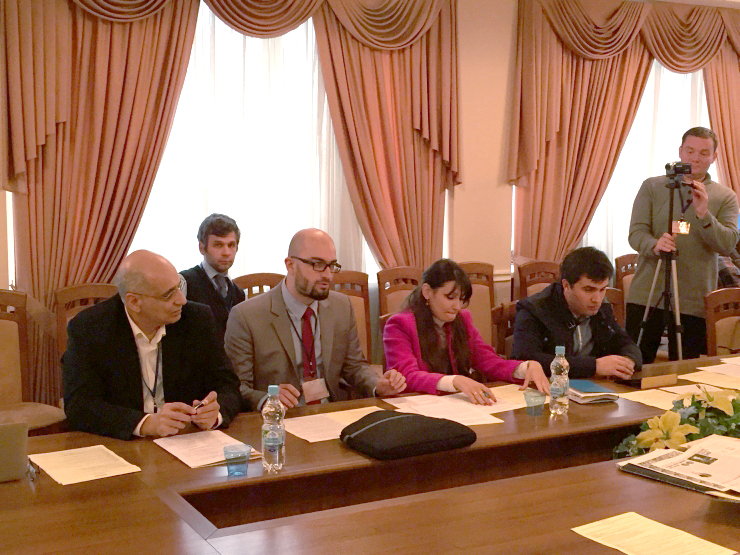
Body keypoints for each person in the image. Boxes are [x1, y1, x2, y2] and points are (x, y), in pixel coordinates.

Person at [63, 250, 242, 440]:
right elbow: (79, 405)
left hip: (186, 439)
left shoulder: (197, 319)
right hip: (121, 442)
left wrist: (215, 413)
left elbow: (228, 385)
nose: (181, 300)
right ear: (134, 301)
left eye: (179, 287)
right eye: (168, 295)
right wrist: (145, 423)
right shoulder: (90, 327)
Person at [225, 228, 406, 410]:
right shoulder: (247, 316)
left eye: (331, 265)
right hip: (281, 417)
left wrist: (377, 384)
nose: (327, 275)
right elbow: (236, 388)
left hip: (332, 411)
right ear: (290, 265)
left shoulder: (341, 306)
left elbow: (354, 366)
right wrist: (267, 399)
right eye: (317, 264)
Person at [625, 127, 739, 362]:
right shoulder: (653, 186)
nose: (695, 158)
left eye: (704, 153)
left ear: (714, 157)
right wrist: (654, 244)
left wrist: (704, 214)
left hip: (693, 299)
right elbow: (636, 233)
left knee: (684, 371)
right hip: (648, 293)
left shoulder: (725, 196)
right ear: (680, 151)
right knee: (634, 366)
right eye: (690, 151)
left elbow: (728, 244)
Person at [383, 259, 549, 406]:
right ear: (427, 292)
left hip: (455, 405)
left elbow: (487, 360)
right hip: (418, 407)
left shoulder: (462, 320)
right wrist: (455, 381)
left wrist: (525, 367)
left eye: (461, 299)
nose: (457, 306)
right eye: (450, 297)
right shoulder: (399, 325)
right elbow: (407, 376)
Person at [512, 247, 641, 379]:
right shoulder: (533, 310)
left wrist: (628, 361)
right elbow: (526, 360)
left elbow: (625, 342)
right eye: (588, 289)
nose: (597, 299)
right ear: (566, 285)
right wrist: (594, 366)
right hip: (548, 386)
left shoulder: (602, 307)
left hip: (593, 386)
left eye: (602, 289)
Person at [180, 214, 245, 341]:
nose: (226, 253)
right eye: (218, 245)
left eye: (231, 245)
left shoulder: (239, 294)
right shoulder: (184, 282)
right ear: (202, 248)